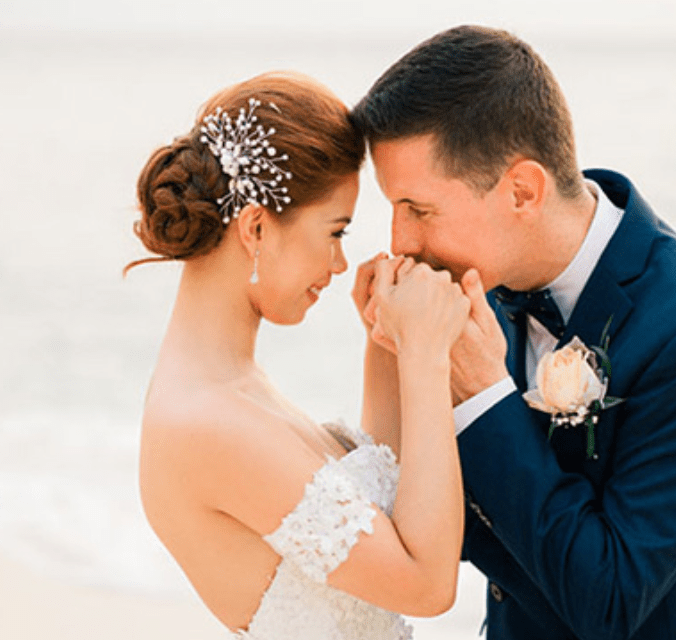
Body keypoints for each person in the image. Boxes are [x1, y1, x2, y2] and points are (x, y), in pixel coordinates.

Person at [351, 25, 676, 640]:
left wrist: (481, 392)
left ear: (523, 191)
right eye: (392, 209)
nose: (400, 243)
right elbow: (436, 533)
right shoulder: (476, 296)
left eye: (418, 209)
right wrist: (396, 354)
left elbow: (608, 604)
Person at [128, 71, 469, 640]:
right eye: (335, 232)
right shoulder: (207, 423)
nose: (340, 264)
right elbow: (426, 585)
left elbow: (382, 513)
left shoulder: (230, 385)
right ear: (257, 227)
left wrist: (386, 347)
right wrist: (427, 358)